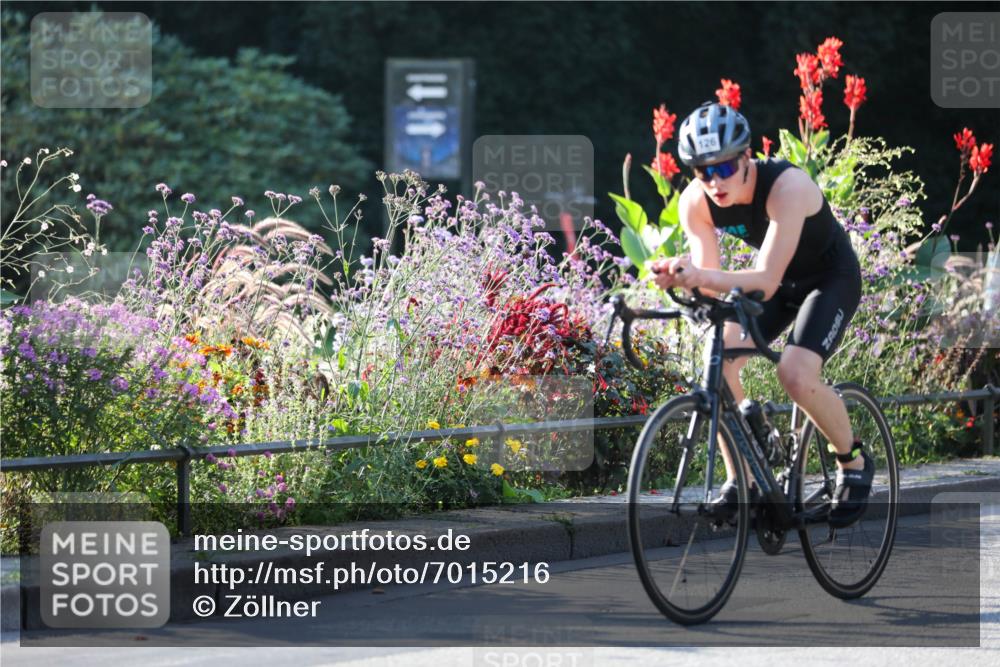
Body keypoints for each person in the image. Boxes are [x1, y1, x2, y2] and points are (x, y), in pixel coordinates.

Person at [650, 101, 872, 528]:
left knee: (795, 374)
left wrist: (699, 275)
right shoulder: (696, 201)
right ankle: (743, 482)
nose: (715, 182)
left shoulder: (787, 187)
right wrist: (680, 276)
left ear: (746, 156)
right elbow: (705, 270)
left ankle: (854, 461)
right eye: (702, 171)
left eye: (725, 168)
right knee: (718, 364)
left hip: (828, 279)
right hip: (775, 285)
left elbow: (766, 279)